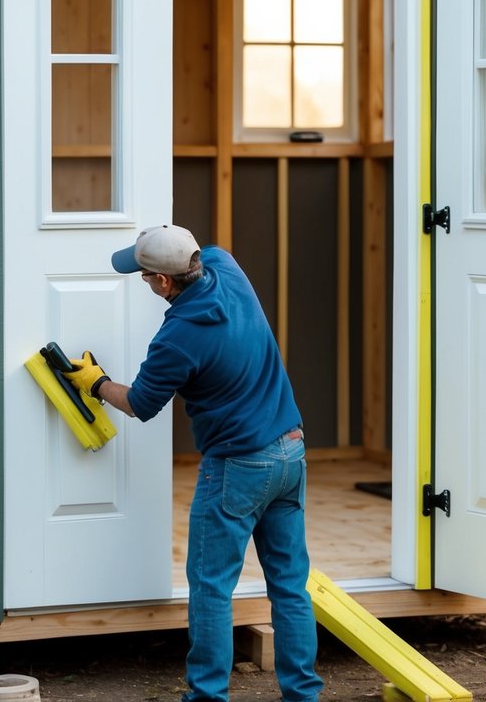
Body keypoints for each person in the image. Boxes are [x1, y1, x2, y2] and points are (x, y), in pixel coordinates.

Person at [66, 223, 322, 702]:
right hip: (291, 451)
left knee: (211, 588)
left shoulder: (178, 338)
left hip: (238, 468)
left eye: (144, 274)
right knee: (289, 587)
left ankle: (206, 697)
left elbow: (141, 402)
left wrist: (96, 383)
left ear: (164, 282)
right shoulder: (227, 267)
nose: (143, 281)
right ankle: (303, 695)